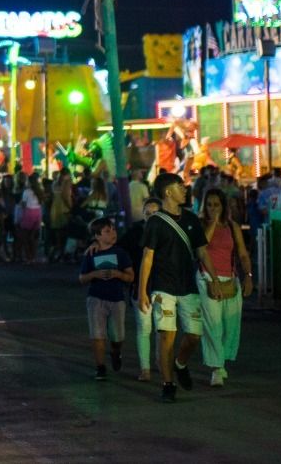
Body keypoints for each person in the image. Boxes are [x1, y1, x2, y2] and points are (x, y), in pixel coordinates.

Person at [137, 172, 210, 404]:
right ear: (168, 192)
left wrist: (215, 279)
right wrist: (142, 292)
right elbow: (147, 257)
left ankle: (180, 363)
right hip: (163, 286)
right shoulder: (156, 222)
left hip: (188, 285)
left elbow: (202, 251)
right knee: (166, 335)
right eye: (181, 186)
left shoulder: (191, 219)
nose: (185, 189)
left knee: (194, 335)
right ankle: (168, 384)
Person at [198, 188, 252, 388]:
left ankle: (221, 360)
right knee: (213, 325)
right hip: (207, 278)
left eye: (216, 205)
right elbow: (202, 246)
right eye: (209, 205)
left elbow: (242, 253)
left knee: (230, 326)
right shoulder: (201, 224)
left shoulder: (232, 226)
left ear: (223, 206)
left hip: (230, 279)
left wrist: (248, 276)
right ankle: (216, 368)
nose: (213, 208)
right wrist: (212, 222)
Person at [78, 216, 133, 380]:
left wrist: (118, 274)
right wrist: (95, 274)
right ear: (97, 236)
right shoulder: (91, 254)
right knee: (97, 335)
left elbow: (131, 276)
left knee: (118, 336)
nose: (113, 233)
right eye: (107, 231)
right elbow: (81, 278)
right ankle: (100, 367)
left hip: (117, 298)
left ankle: (116, 352)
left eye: (113, 230)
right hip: (96, 298)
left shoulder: (120, 253)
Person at [120, 196, 162, 381]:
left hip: (164, 287)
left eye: (155, 213)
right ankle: (145, 368)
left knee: (163, 330)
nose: (151, 217)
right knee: (144, 328)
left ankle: (162, 364)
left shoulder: (168, 232)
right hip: (141, 287)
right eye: (148, 214)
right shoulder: (135, 233)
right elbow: (119, 249)